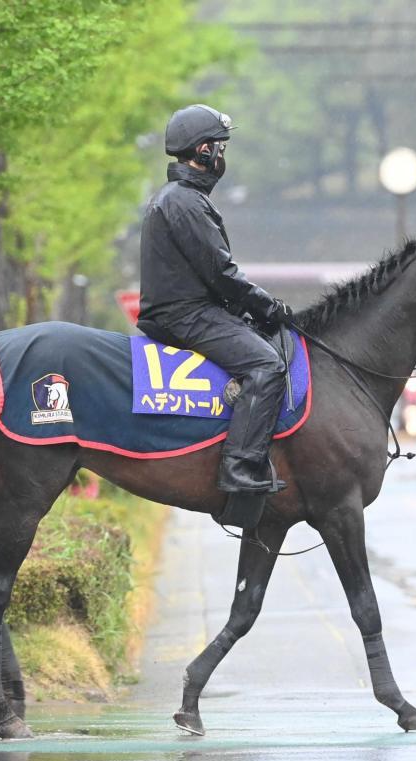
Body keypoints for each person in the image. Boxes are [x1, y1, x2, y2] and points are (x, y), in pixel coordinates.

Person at [137, 104, 293, 495]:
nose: (223, 157)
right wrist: (269, 308)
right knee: (267, 365)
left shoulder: (184, 198)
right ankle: (238, 467)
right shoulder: (183, 202)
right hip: (186, 315)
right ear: (203, 151)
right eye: (220, 148)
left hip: (191, 309)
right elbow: (222, 274)